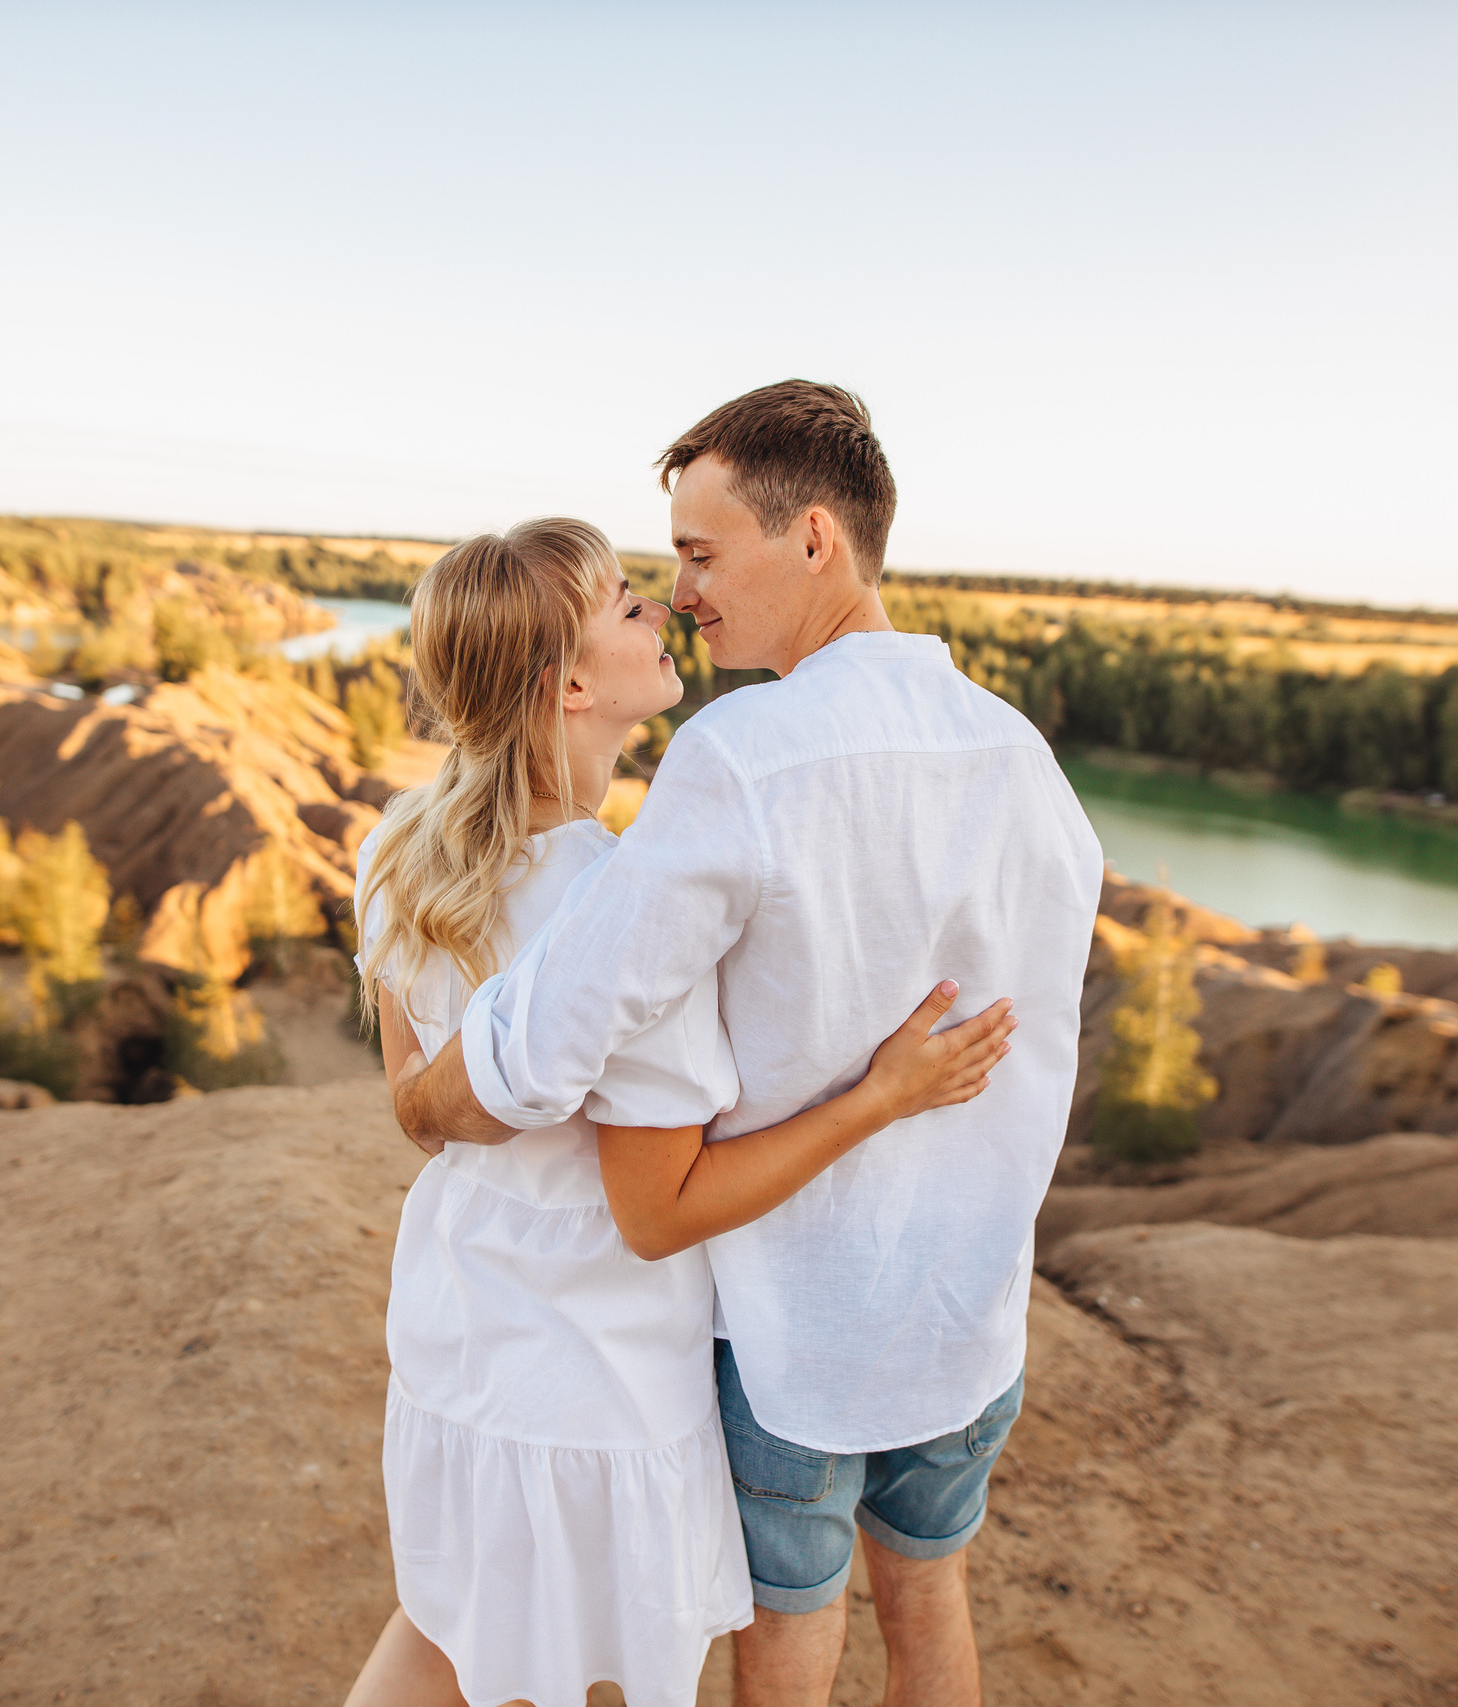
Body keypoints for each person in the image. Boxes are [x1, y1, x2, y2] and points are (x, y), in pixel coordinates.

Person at [397, 383, 1107, 1707]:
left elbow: (562, 1033)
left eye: (704, 555)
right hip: (966, 1312)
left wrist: (433, 1096)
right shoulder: (1022, 761)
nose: (682, 592)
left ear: (816, 540)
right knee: (930, 1604)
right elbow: (1041, 1035)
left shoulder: (744, 757)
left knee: (789, 1641)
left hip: (799, 1327)